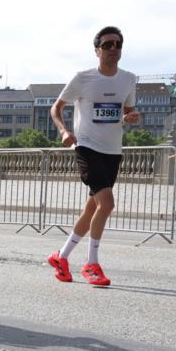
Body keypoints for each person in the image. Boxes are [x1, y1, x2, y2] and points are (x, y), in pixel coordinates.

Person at [47, 26, 139, 287]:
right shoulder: (83, 78)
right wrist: (64, 131)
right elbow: (56, 107)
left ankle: (61, 257)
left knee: (93, 208)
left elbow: (128, 112)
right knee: (107, 204)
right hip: (87, 147)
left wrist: (131, 118)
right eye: (108, 45)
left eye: (117, 44)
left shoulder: (129, 79)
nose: (113, 49)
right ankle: (91, 264)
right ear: (97, 50)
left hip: (113, 150)